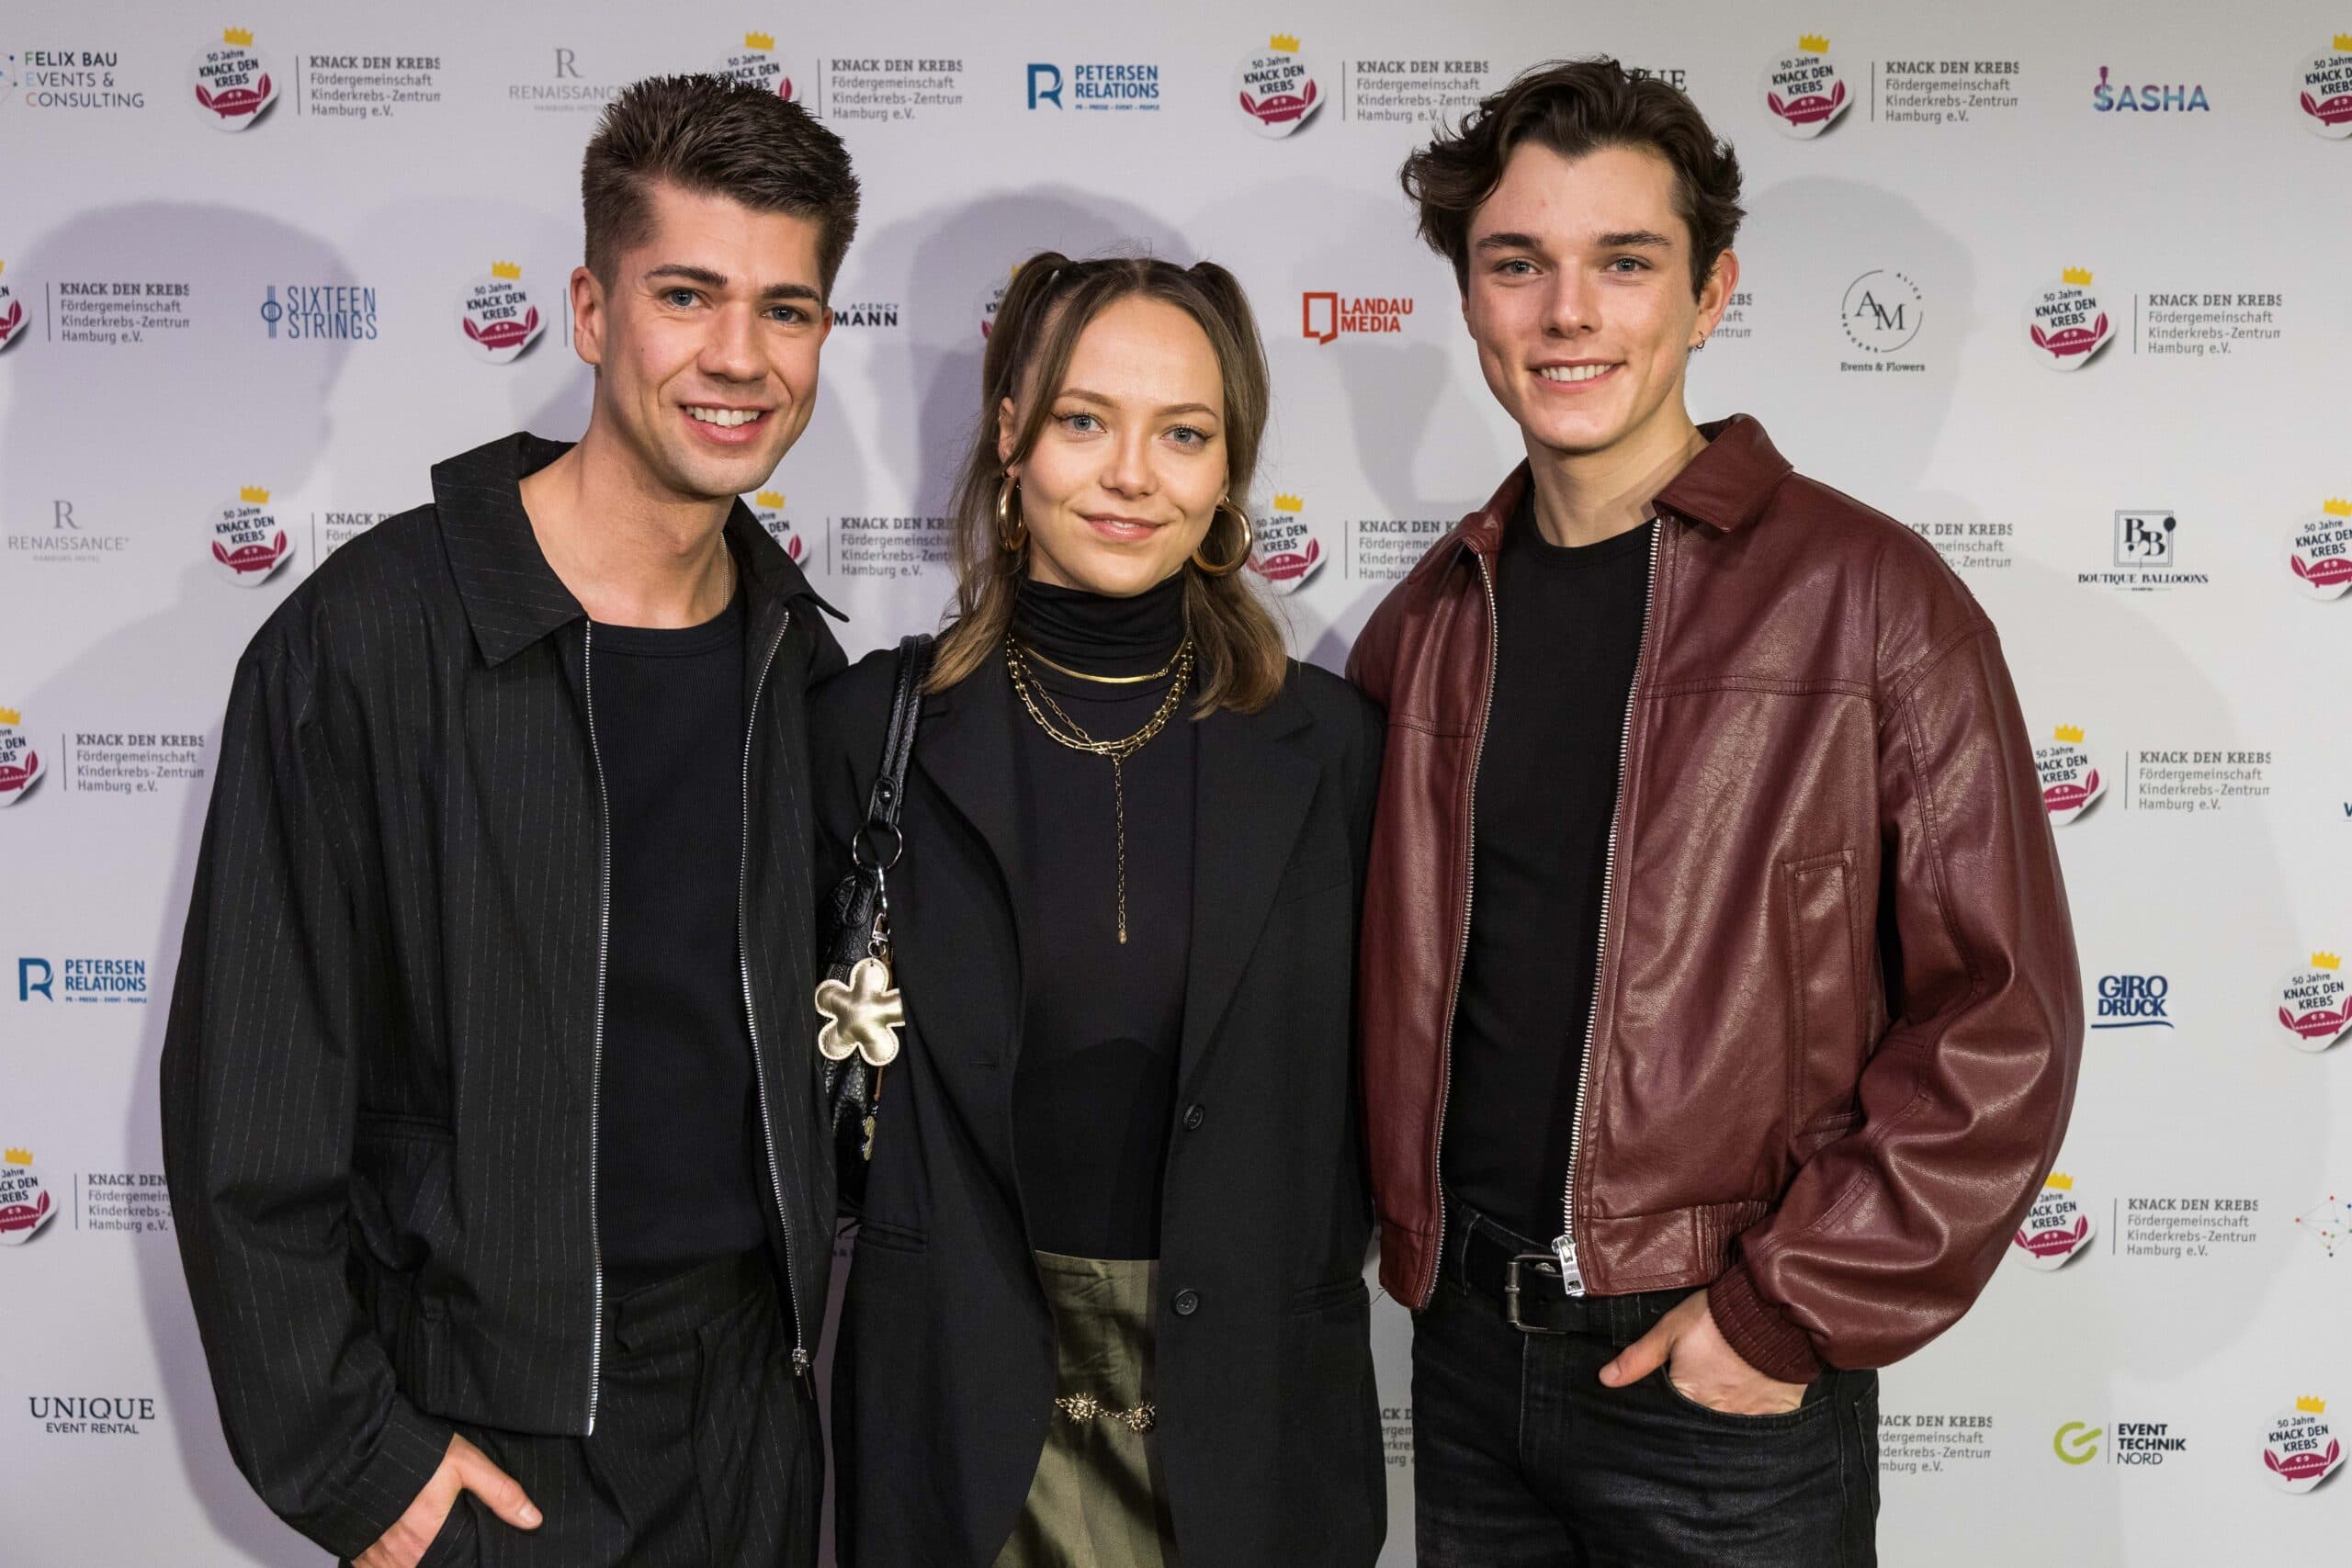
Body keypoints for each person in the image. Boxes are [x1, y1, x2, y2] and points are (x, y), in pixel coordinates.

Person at [1347, 59, 2083, 1565]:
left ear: (1709, 294)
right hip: (1467, 1365)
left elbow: (2001, 1017)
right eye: (1518, 264)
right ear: (1470, 299)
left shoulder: (1872, 604)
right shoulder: (1423, 626)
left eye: (1625, 263)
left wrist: (1781, 1310)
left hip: (1723, 1371)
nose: (1569, 314)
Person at [159, 74, 856, 1568]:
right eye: (688, 294)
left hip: (758, 1426)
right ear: (593, 313)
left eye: (786, 310)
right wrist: (360, 1463)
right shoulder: (365, 645)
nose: (740, 358)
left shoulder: (807, 670)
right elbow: (248, 1116)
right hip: (492, 1448)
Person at [812, 253, 1386, 1567]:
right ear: (1010, 437)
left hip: (1250, 1434)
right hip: (959, 1426)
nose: (1133, 475)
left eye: (1183, 433)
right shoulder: (864, 736)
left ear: (1229, 468)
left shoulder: (1336, 749)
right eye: (1084, 420)